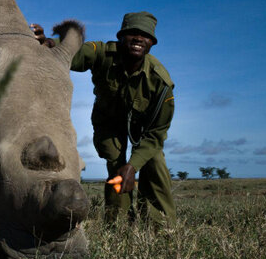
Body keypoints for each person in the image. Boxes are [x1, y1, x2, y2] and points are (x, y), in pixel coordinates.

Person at [32, 12, 176, 225]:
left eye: (145, 35)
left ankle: (160, 226)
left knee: (154, 162)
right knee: (117, 164)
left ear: (152, 43)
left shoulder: (161, 84)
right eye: (132, 33)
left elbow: (156, 135)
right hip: (108, 123)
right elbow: (74, 53)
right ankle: (118, 222)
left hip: (144, 130)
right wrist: (50, 43)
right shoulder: (102, 53)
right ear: (121, 37)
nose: (138, 38)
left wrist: (133, 166)